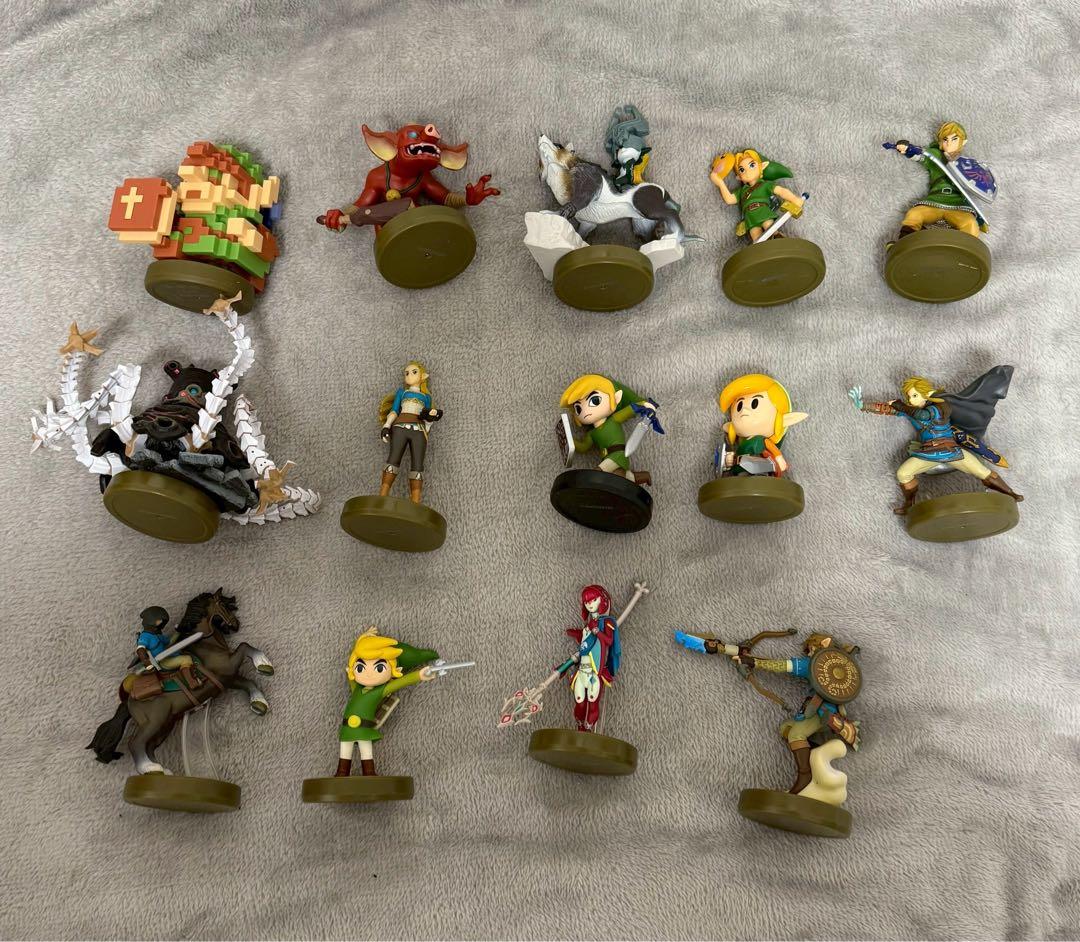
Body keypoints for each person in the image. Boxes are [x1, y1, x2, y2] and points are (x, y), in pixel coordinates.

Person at [377, 361, 442, 504]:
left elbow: (427, 418)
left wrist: (430, 419)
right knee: (393, 458)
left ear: (423, 376)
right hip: (400, 427)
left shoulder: (426, 398)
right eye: (406, 373)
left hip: (419, 431)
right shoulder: (402, 393)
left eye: (414, 372)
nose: (409, 375)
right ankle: (382, 496)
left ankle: (415, 502)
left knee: (418, 464)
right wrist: (386, 425)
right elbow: (395, 410)